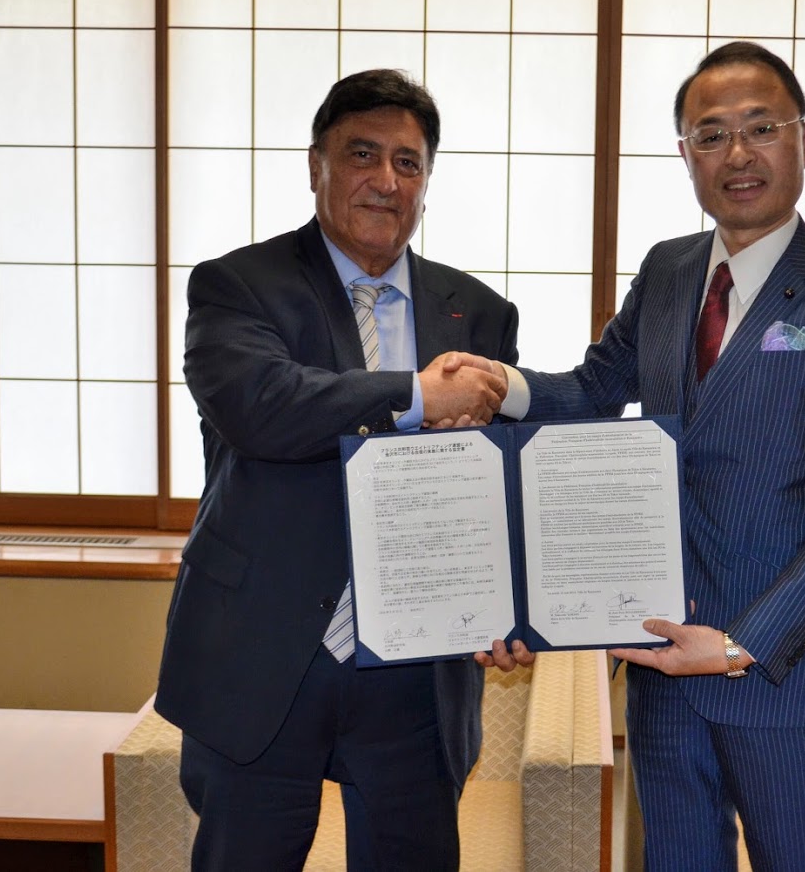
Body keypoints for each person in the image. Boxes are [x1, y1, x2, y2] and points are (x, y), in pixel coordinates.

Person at [452, 41, 805, 869]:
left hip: (778, 678)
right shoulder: (667, 272)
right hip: (660, 661)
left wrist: (739, 642)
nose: (736, 154)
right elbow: (595, 389)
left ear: (803, 139)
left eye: (759, 127)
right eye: (709, 135)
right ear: (685, 156)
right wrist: (501, 385)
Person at [155, 68, 532, 872]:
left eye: (408, 162)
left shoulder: (479, 314)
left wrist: (512, 605)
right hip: (261, 655)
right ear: (315, 165)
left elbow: (493, 483)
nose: (385, 179)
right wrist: (414, 396)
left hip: (417, 674)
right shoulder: (237, 285)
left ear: (427, 182)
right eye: (362, 154)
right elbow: (263, 404)